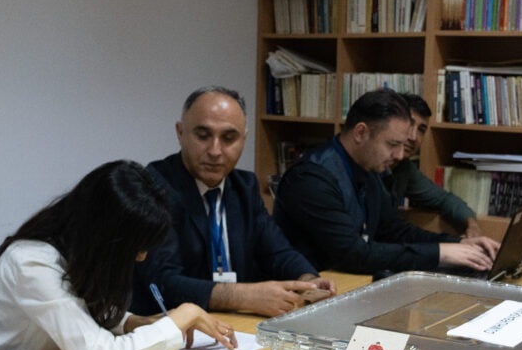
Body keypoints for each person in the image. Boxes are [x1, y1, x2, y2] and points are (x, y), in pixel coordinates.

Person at [0, 160, 237, 350]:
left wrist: (131, 322)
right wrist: (183, 315)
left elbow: (79, 308)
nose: (141, 257)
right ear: (104, 236)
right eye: (136, 246)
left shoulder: (75, 249)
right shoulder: (31, 264)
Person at [134, 86, 334, 318]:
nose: (215, 151)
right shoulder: (152, 188)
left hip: (234, 323)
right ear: (180, 133)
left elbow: (277, 252)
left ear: (244, 139)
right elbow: (162, 283)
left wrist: (309, 280)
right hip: (173, 324)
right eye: (203, 136)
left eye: (229, 138)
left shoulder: (244, 186)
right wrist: (243, 296)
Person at [273, 89, 499, 276]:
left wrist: (458, 243)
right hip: (312, 289)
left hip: (351, 281)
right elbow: (352, 254)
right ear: (361, 133)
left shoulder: (368, 167)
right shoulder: (311, 179)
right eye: (392, 144)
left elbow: (394, 231)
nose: (400, 155)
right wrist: (440, 253)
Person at [384, 93, 483, 238]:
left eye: (421, 129)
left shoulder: (404, 168)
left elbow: (443, 199)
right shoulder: (368, 165)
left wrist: (472, 225)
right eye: (409, 124)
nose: (413, 137)